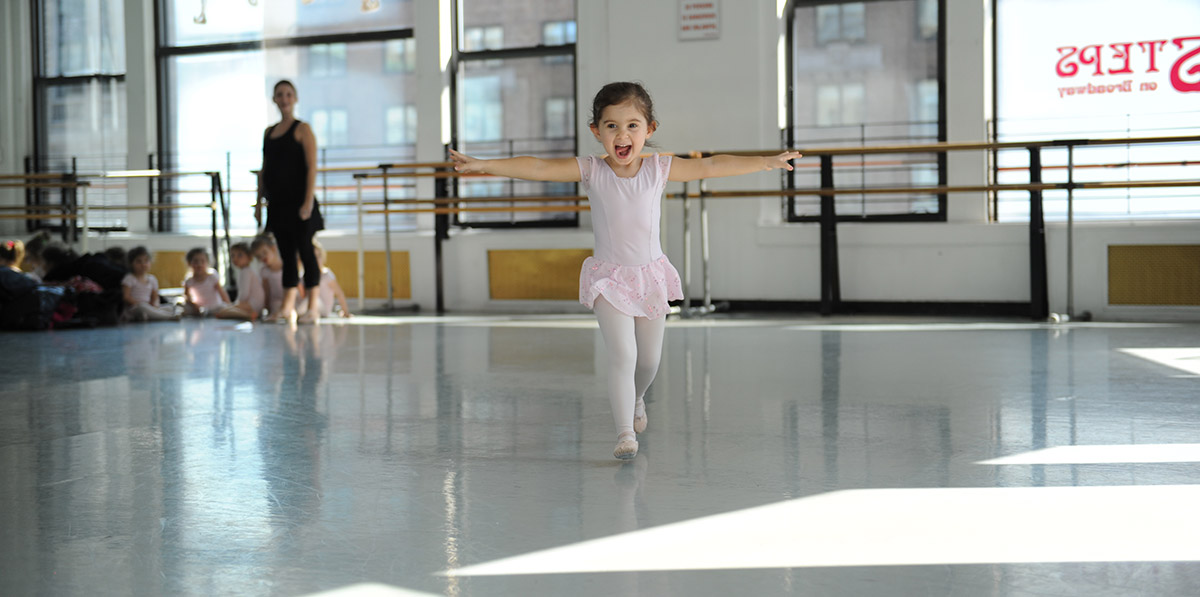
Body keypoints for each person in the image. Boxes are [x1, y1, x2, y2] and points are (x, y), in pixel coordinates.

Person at [449, 81, 801, 460]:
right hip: (608, 277)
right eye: (612, 125)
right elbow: (537, 166)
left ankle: (636, 398)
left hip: (650, 276)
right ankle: (623, 435)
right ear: (596, 131)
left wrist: (766, 162)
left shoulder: (660, 169)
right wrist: (484, 165)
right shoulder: (590, 170)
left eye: (632, 125)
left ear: (649, 130)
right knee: (623, 355)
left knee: (648, 360)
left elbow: (712, 166)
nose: (622, 134)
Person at [257, 79, 322, 324]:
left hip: (299, 203)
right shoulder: (268, 132)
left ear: (294, 98)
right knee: (286, 255)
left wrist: (307, 203)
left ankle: (313, 307)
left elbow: (311, 167)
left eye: (288, 94)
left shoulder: (303, 129)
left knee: (306, 252)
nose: (284, 99)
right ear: (274, 99)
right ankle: (287, 307)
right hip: (278, 204)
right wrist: (259, 202)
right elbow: (265, 169)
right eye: (279, 95)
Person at [121, 246, 178, 322]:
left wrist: (154, 305)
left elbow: (155, 296)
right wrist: (141, 304)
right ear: (131, 263)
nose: (143, 264)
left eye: (146, 261)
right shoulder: (129, 278)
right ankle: (168, 317)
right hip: (134, 308)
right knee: (142, 307)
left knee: (170, 307)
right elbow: (126, 297)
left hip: (149, 307)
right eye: (139, 261)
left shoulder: (152, 279)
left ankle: (150, 315)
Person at [216, 242, 266, 321]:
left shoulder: (246, 271)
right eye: (232, 256)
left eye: (240, 255)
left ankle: (249, 316)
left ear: (249, 257)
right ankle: (249, 315)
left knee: (223, 311)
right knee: (224, 310)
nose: (235, 259)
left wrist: (235, 304)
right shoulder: (245, 271)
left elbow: (244, 294)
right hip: (253, 304)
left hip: (252, 304)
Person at [182, 248, 231, 317]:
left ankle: (213, 313)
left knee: (225, 308)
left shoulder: (212, 276)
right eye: (195, 261)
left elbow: (221, 292)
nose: (199, 264)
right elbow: (186, 296)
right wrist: (194, 305)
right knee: (184, 308)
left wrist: (229, 305)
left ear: (207, 263)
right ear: (189, 263)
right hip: (199, 308)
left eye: (202, 261)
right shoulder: (189, 280)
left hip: (215, 306)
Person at [312, 240, 351, 319]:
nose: (316, 260)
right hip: (313, 307)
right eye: (313, 257)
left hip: (323, 309)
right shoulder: (304, 275)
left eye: (319, 256)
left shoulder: (326, 275)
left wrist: (346, 312)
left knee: (313, 300)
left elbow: (339, 293)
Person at [251, 234, 286, 321]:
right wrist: (266, 307)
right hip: (276, 300)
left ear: (273, 248)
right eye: (259, 256)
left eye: (264, 252)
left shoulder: (285, 265)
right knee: (276, 305)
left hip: (290, 299)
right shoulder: (264, 271)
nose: (263, 257)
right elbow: (266, 291)